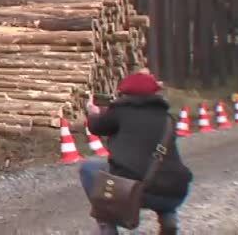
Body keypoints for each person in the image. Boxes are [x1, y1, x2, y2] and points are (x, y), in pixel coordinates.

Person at [80, 71, 193, 234]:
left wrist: (93, 113)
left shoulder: (120, 111)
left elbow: (97, 127)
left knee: (89, 168)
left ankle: (107, 225)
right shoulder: (168, 118)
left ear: (125, 92)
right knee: (163, 171)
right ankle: (169, 218)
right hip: (176, 193)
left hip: (133, 191)